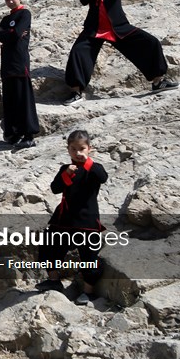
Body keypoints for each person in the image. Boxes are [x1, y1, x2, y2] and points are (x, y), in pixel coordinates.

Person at [63, 0, 179, 104]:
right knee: (77, 53)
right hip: (94, 28)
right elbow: (84, 0)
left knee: (151, 42)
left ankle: (158, 82)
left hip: (118, 27)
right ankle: (75, 92)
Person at [35, 130, 108, 304]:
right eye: (73, 149)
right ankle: (54, 281)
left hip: (86, 221)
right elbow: (55, 188)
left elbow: (103, 177)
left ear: (89, 148)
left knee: (89, 258)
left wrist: (87, 163)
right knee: (48, 249)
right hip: (64, 220)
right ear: (68, 150)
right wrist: (66, 174)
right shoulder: (65, 169)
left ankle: (88, 292)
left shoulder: (94, 169)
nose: (78, 153)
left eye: (82, 148)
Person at [0, 0, 41, 148]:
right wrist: (10, 34)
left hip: (19, 61)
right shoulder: (6, 18)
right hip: (7, 63)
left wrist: (7, 34)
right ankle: (13, 133)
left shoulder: (24, 14)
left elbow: (17, 33)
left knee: (22, 98)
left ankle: (28, 134)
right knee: (10, 98)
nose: (10, 1)